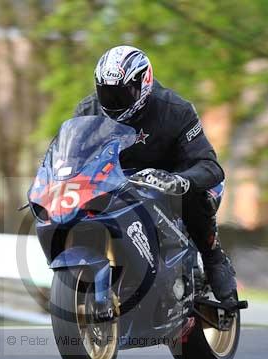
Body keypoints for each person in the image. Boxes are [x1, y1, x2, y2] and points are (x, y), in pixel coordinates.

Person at [73, 45, 237, 302]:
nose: (114, 102)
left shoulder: (176, 110)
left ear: (144, 82)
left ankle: (213, 257)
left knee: (197, 195)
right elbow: (72, 155)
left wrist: (180, 181)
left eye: (123, 94)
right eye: (107, 93)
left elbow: (210, 166)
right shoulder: (88, 110)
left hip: (169, 184)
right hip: (117, 185)